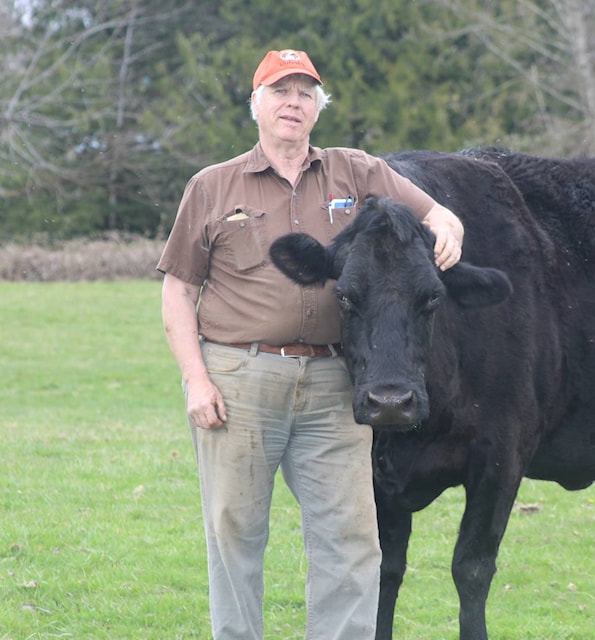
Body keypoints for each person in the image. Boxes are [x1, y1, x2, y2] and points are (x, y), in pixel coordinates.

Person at [157, 49, 464, 640]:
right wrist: (196, 379)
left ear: (318, 109)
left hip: (333, 383)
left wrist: (449, 225)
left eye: (305, 94)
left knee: (351, 536)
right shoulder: (213, 186)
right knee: (235, 532)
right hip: (239, 380)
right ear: (257, 105)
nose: (293, 104)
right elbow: (178, 291)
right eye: (280, 92)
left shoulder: (358, 172)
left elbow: (438, 214)